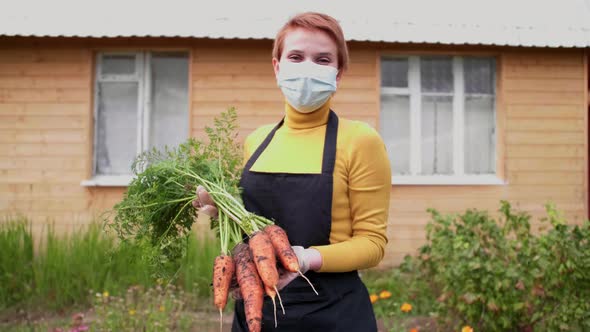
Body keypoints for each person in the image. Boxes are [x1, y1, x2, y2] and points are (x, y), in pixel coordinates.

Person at [193, 12, 391, 332]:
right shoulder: (257, 141)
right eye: (296, 57)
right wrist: (219, 208)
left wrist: (305, 258)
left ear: (338, 74)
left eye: (322, 59)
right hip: (256, 308)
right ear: (277, 67)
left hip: (332, 314)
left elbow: (373, 244)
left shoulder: (360, 141)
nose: (308, 68)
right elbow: (253, 221)